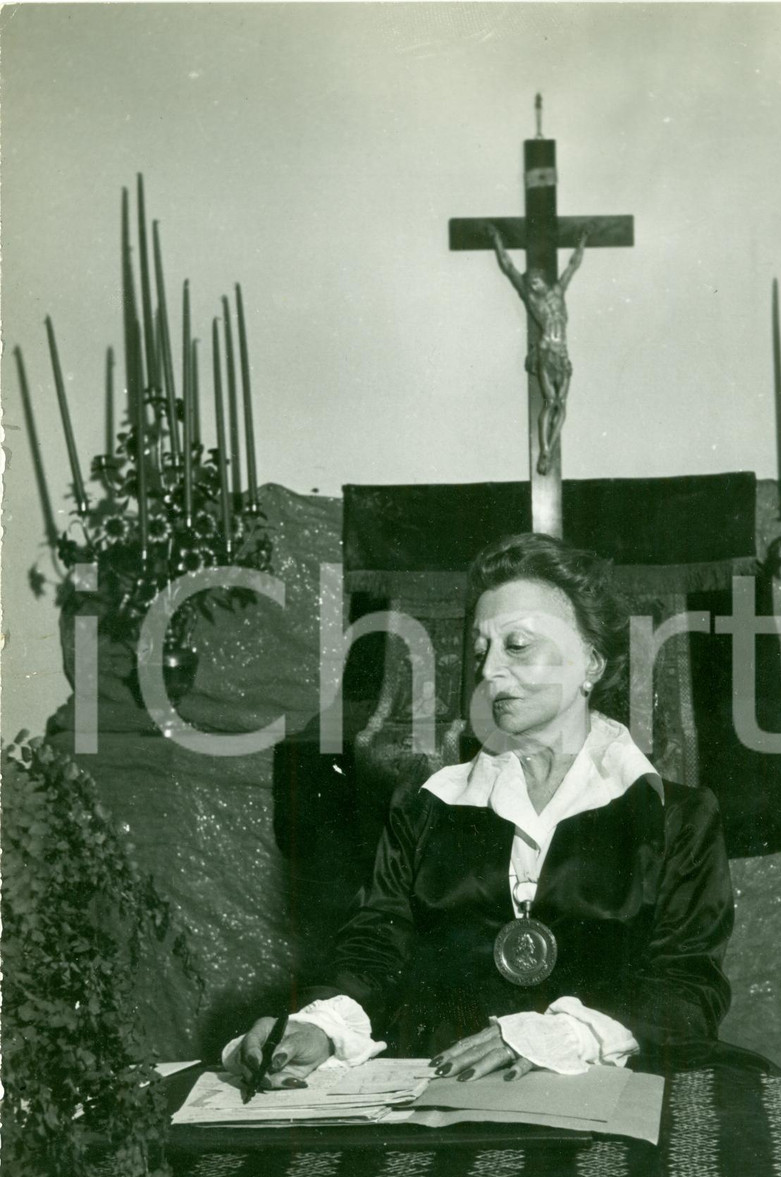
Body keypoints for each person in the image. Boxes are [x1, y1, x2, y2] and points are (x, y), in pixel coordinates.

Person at [227, 533, 739, 1091]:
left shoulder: (677, 817)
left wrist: (561, 1036)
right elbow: (374, 953)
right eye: (480, 652)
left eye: (517, 646)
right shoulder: (427, 805)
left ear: (591, 662)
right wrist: (320, 1026)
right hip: (445, 1093)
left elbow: (689, 990)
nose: (490, 670)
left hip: (605, 1097)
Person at [487, 225, 587, 475]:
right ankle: (545, 450)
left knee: (561, 404)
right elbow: (508, 267)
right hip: (546, 353)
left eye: (534, 280)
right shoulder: (531, 299)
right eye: (529, 283)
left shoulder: (559, 291)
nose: (531, 285)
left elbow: (573, 265)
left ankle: (549, 447)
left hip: (563, 355)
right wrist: (497, 239)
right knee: (550, 401)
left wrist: (583, 239)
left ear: (543, 278)